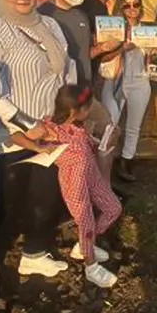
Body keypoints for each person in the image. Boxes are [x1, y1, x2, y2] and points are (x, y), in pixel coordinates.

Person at [0, 0, 76, 303]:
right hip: (8, 130)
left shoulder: (49, 25)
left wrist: (66, 114)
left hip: (49, 125)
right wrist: (22, 122)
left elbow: (66, 69)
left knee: (45, 196)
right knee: (4, 202)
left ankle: (35, 253)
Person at [38, 0, 120, 180]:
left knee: (108, 131)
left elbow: (84, 54)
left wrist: (103, 48)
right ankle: (72, 193)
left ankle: (102, 187)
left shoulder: (80, 16)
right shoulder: (42, 17)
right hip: (59, 98)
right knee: (66, 148)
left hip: (85, 91)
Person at [38, 85, 122, 288]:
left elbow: (86, 144)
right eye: (87, 108)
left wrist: (104, 142)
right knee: (85, 221)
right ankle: (91, 266)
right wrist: (39, 142)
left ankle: (86, 245)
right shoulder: (50, 130)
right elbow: (34, 140)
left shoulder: (78, 124)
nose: (90, 111)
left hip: (91, 173)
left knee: (113, 208)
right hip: (74, 181)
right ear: (74, 110)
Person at [102, 0, 157, 182]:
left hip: (140, 80)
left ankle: (126, 161)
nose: (132, 8)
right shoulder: (113, 28)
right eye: (127, 5)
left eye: (136, 4)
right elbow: (102, 55)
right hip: (114, 79)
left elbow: (149, 54)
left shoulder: (147, 30)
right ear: (120, 7)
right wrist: (121, 47)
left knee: (134, 126)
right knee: (110, 124)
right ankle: (104, 163)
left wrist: (156, 50)